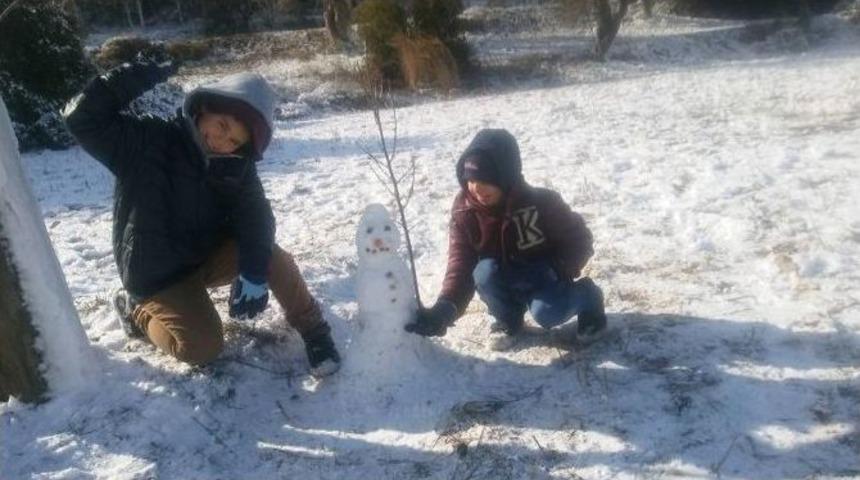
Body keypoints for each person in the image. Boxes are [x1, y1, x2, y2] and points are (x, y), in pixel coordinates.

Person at [63, 60, 341, 376]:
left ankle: (316, 332)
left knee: (270, 256)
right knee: (202, 348)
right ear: (204, 108)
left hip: (203, 258)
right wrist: (139, 73)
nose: (222, 143)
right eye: (221, 126)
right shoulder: (146, 141)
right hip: (157, 274)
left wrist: (252, 271)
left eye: (235, 140)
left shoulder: (236, 165)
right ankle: (136, 312)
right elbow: (81, 119)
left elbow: (256, 218)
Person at [405, 128, 606, 350]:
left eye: (487, 179)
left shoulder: (541, 203)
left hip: (544, 276)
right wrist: (445, 310)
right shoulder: (465, 211)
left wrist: (559, 268)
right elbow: (460, 265)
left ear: (506, 175)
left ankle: (589, 298)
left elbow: (580, 239)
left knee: (547, 315)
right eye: (470, 179)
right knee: (483, 271)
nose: (477, 187)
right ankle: (507, 319)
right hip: (502, 278)